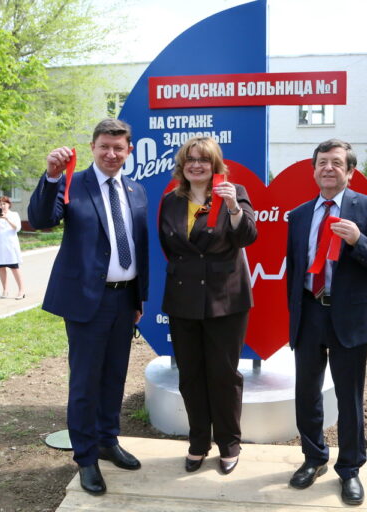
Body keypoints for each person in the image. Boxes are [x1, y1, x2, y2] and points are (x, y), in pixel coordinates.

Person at [28, 118, 149, 496]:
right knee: (85, 382)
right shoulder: (73, 183)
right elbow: (42, 219)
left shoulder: (136, 190)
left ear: (129, 151)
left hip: (124, 299)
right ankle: (85, 457)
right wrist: (51, 176)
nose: (111, 154)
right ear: (93, 148)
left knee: (114, 376)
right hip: (87, 301)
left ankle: (107, 440)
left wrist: (138, 298)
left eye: (118, 148)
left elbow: (139, 245)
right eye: (104, 147)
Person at [285, 139, 367, 506]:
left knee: (349, 397)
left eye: (336, 162)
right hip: (310, 312)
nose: (328, 168)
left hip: (349, 316)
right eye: (322, 163)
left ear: (350, 172)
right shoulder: (299, 215)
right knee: (306, 392)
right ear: (314, 170)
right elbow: (294, 270)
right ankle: (313, 457)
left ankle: (349, 469)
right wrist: (295, 314)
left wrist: (359, 240)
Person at [158, 136, 257, 475]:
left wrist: (232, 208)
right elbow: (172, 249)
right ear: (182, 166)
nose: (196, 165)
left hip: (225, 300)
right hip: (183, 300)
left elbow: (247, 237)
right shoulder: (171, 201)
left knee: (224, 375)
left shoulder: (234, 192)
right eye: (190, 160)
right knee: (190, 375)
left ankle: (229, 443)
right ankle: (198, 441)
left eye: (203, 159)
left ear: (215, 165)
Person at [0, 196, 25, 299]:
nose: (2, 206)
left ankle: (21, 290)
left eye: (4, 204)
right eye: (0, 204)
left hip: (10, 245)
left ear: (9, 204)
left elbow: (17, 228)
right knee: (1, 267)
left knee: (14, 268)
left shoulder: (14, 214)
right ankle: (5, 290)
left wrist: (7, 219)